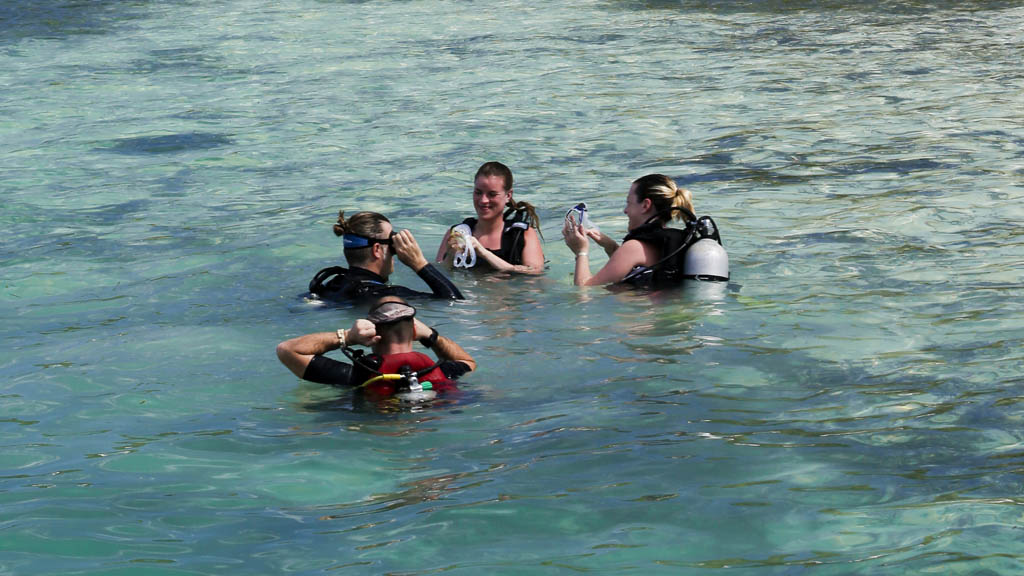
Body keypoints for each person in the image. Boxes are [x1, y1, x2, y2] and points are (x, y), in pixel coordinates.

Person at [276, 296, 476, 399]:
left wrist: (348, 337)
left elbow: (287, 349)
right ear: (415, 332)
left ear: (372, 333)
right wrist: (432, 336)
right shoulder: (440, 371)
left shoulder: (358, 376)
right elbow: (468, 362)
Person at [562, 174, 727, 286]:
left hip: (640, 326)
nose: (625, 210)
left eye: (629, 202)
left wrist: (581, 252)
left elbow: (584, 290)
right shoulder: (676, 240)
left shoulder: (633, 248)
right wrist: (610, 247)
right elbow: (641, 272)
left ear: (646, 205)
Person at [309, 211, 464, 301]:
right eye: (392, 241)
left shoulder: (329, 284)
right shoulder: (388, 296)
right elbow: (454, 301)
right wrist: (419, 263)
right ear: (377, 249)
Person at [435, 162, 545, 274]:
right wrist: (450, 256)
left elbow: (535, 274)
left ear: (508, 195)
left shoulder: (523, 235)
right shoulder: (456, 233)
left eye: (492, 194)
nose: (483, 200)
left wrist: (483, 252)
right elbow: (437, 275)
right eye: (478, 192)